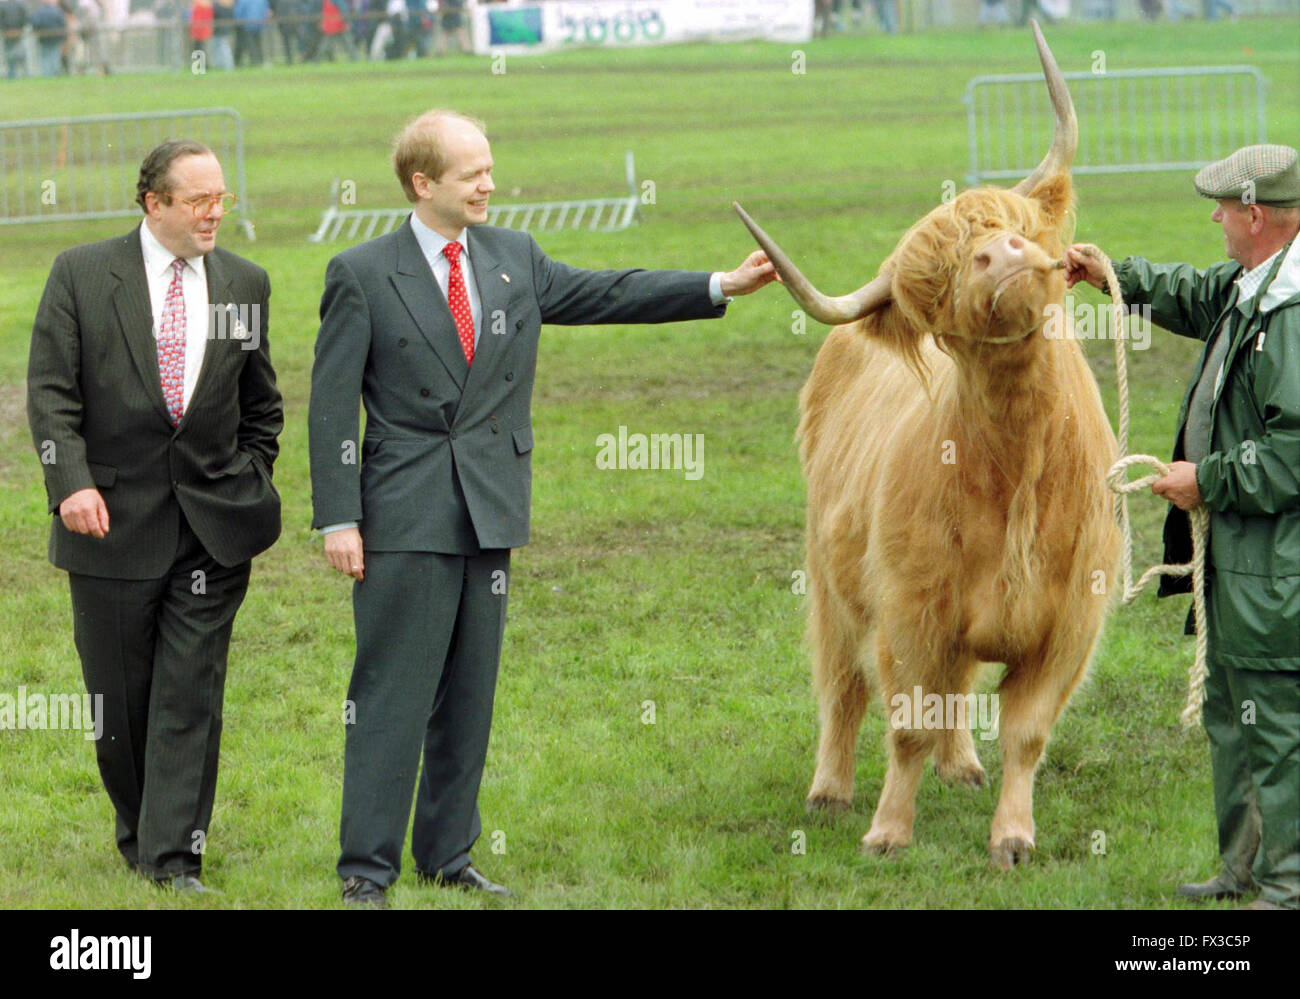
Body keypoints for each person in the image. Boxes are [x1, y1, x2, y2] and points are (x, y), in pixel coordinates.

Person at [308, 110, 775, 908]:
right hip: (405, 513)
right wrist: (339, 519)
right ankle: (367, 869)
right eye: (470, 174)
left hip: (489, 509)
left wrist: (717, 285)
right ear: (424, 185)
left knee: (469, 693)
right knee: (392, 692)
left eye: (490, 167)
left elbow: (604, 292)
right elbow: (329, 407)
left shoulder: (512, 256)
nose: (489, 183)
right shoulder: (361, 272)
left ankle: (447, 855)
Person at [26, 140, 282, 893]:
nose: (214, 212)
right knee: (120, 703)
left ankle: (174, 855)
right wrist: (69, 482)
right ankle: (140, 832)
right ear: (154, 203)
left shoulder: (243, 282)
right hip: (106, 527)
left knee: (189, 691)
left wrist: (250, 475)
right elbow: (50, 394)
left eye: (221, 198)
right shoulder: (80, 274)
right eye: (198, 199)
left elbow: (261, 403)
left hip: (212, 528)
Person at [1066, 143, 1300, 911]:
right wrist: (1115, 276)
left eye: (1223, 208)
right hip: (1240, 558)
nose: (1215, 218)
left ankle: (1286, 883)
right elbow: (1194, 294)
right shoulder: (1251, 286)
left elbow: (1293, 455)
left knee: (1273, 726)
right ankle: (1242, 869)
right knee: (1231, 711)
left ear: (1255, 215)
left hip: (1276, 564)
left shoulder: (1292, 317)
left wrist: (1207, 478)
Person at [0, 0, 29, 79]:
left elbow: (1, 19)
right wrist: (20, 29)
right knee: (21, 53)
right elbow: (25, 18)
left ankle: (11, 73)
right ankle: (24, 73)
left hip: (7, 33)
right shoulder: (21, 5)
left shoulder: (2, 5)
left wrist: (5, 30)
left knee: (9, 54)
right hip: (18, 32)